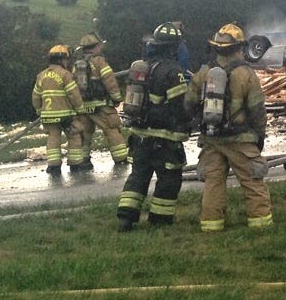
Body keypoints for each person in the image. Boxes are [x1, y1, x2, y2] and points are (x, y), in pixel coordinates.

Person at [186, 23, 272, 231]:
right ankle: (260, 223)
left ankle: (211, 225)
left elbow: (189, 102)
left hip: (211, 138)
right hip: (240, 139)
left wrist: (202, 121)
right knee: (253, 180)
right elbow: (257, 109)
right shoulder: (246, 74)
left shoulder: (204, 72)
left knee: (213, 183)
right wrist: (259, 135)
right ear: (239, 48)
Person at [116, 22, 192, 231]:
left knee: (138, 176)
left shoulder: (143, 67)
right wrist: (190, 120)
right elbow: (179, 106)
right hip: (164, 138)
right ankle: (159, 220)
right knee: (169, 178)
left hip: (139, 134)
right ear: (173, 47)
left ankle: (126, 217)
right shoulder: (173, 71)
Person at [74, 32, 129, 169]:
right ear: (95, 47)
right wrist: (117, 98)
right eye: (99, 46)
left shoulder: (76, 65)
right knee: (112, 130)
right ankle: (121, 159)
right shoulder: (99, 61)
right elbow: (109, 80)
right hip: (101, 105)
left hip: (83, 106)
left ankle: (83, 160)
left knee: (85, 134)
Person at [32, 43, 87, 175]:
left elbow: (35, 97)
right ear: (62, 60)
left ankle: (53, 166)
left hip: (48, 116)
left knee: (53, 138)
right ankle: (75, 164)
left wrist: (40, 111)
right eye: (67, 60)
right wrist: (80, 110)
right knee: (74, 137)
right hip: (66, 116)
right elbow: (74, 94)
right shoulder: (65, 75)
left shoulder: (41, 76)